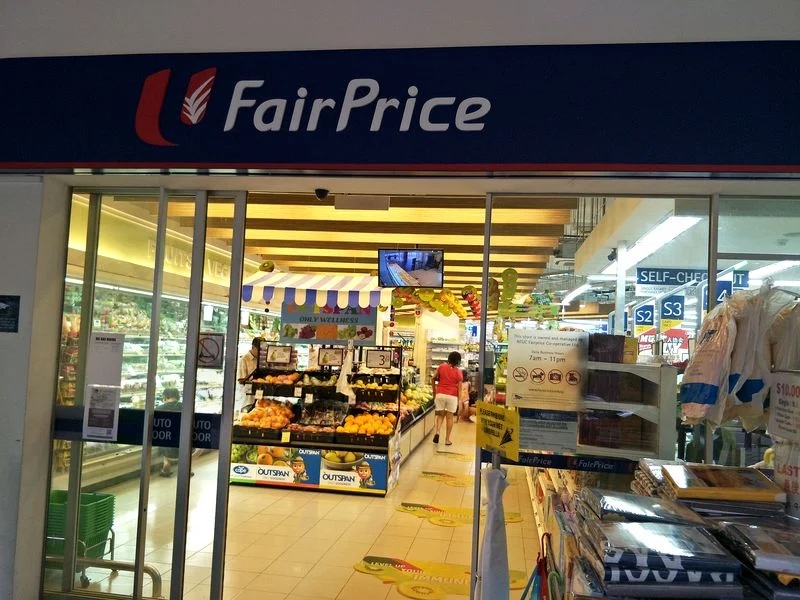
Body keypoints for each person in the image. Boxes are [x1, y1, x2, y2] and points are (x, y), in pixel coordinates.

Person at [432, 351, 462, 445]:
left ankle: (437, 432)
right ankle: (447, 440)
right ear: (458, 361)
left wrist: (434, 391)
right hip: (452, 396)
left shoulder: (441, 366)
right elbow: (460, 388)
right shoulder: (458, 371)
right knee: (449, 418)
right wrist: (460, 400)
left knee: (440, 415)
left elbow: (433, 378)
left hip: (440, 393)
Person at [236, 337, 261, 412]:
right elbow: (241, 380)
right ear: (253, 347)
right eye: (259, 349)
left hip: (259, 396)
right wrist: (253, 378)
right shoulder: (244, 359)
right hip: (248, 397)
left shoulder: (261, 359)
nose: (261, 352)